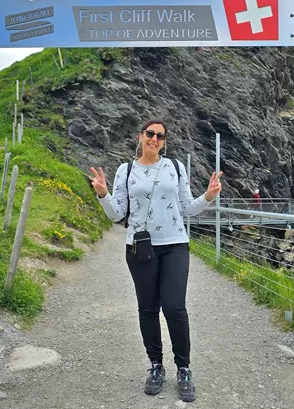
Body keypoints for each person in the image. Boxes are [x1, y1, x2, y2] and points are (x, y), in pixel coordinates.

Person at [88, 119, 222, 403]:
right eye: (150, 134)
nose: (155, 139)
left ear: (164, 141)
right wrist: (102, 194)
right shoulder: (126, 171)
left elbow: (186, 207)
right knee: (148, 309)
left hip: (175, 245)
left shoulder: (175, 167)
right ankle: (156, 366)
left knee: (174, 307)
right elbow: (116, 214)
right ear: (140, 136)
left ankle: (183, 369)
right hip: (140, 247)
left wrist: (208, 197)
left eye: (160, 136)